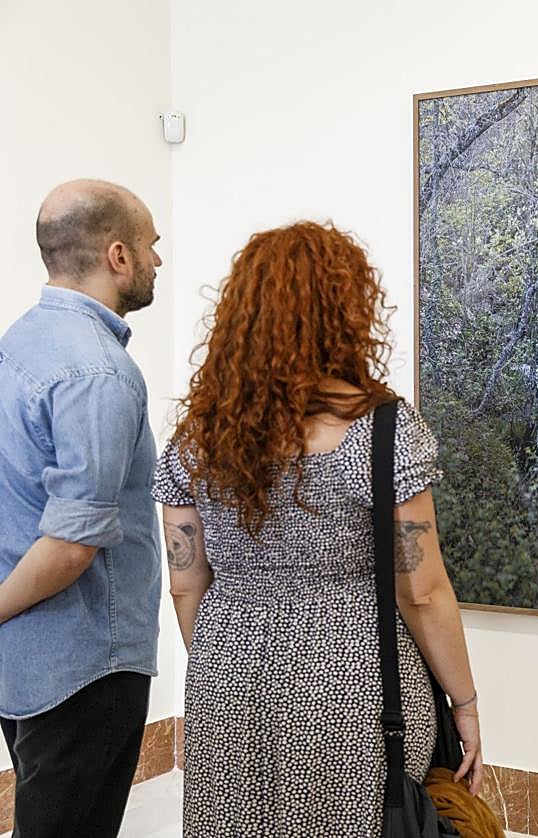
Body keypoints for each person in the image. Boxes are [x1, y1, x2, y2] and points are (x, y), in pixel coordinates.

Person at [154, 221, 482, 836]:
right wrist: (464, 704)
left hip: (225, 670)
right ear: (347, 313)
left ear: (240, 319)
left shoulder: (195, 441)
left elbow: (183, 584)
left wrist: (228, 666)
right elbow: (422, 591)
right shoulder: (384, 432)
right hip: (354, 682)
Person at [0, 179, 164, 837]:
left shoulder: (20, 343)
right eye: (152, 245)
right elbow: (72, 545)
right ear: (118, 256)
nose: (159, 261)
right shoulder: (97, 373)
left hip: (28, 661)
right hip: (85, 666)